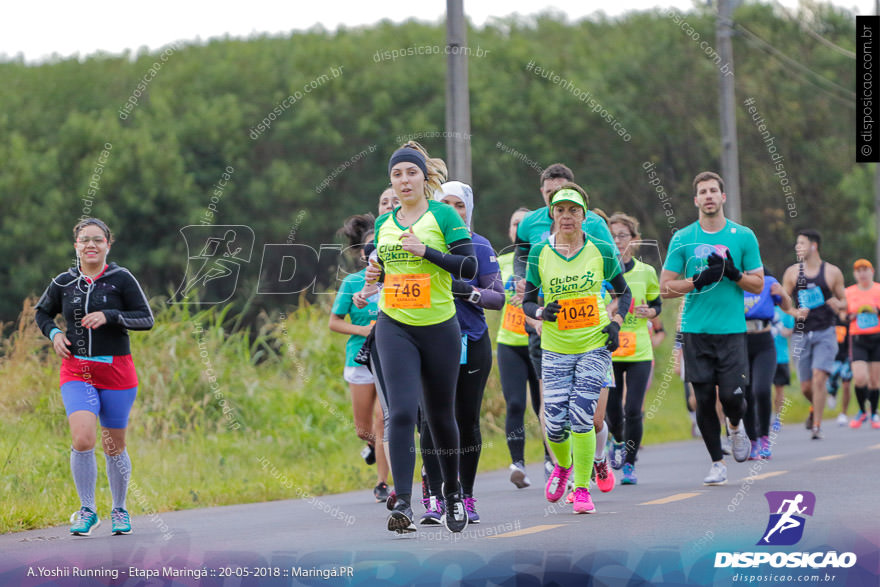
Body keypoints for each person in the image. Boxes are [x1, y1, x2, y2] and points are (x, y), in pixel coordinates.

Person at [366, 142, 476, 534]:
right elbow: (383, 269)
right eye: (396, 175)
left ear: (423, 178)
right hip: (394, 324)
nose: (403, 181)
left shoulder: (443, 215)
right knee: (400, 411)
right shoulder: (383, 224)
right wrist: (371, 282)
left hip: (439, 326)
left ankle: (452, 494)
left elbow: (468, 265)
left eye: (410, 173)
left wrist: (426, 250)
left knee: (440, 416)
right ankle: (405, 504)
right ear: (391, 183)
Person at [35, 218, 154, 536]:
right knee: (83, 439)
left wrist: (110, 315)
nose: (91, 244)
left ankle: (119, 510)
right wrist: (55, 332)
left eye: (97, 240)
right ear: (76, 246)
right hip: (77, 370)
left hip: (117, 370)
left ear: (107, 245)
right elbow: (42, 312)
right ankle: (87, 510)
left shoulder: (120, 278)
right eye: (84, 239)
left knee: (114, 446)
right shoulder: (63, 282)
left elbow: (146, 318)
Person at [522, 184, 631, 514]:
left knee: (583, 417)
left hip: (593, 345)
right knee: (554, 423)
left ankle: (582, 489)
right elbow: (527, 301)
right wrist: (542, 313)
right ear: (552, 215)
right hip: (555, 348)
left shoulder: (601, 250)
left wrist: (616, 322)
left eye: (573, 210)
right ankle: (564, 466)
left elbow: (623, 294)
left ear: (584, 215)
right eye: (560, 210)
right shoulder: (540, 253)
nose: (567, 216)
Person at [660, 171, 764, 486]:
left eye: (713, 191)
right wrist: (696, 281)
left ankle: (735, 426)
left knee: (734, 398)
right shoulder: (683, 238)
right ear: (696, 200)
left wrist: (734, 274)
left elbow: (757, 284)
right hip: (696, 330)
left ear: (723, 197)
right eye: (702, 191)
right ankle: (717, 462)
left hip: (731, 331)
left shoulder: (743, 236)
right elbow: (664, 289)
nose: (708, 196)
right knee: (703, 399)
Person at [418, 181, 504, 525]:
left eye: (460, 205)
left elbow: (497, 297)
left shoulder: (479, 245)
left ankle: (466, 496)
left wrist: (465, 290)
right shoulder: (423, 244)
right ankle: (437, 498)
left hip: (472, 339)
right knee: (430, 422)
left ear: (469, 210)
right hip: (430, 338)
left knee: (466, 421)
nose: (453, 210)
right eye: (446, 203)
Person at [328, 213, 390, 502]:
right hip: (360, 358)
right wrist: (364, 330)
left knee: (383, 420)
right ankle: (373, 448)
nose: (373, 253)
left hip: (390, 356)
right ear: (361, 254)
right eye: (368, 248)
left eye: (379, 246)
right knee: (364, 429)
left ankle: (382, 483)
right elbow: (335, 322)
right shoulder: (352, 283)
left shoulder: (396, 279)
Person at [604, 213, 662, 485]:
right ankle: (616, 439)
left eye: (622, 236)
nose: (617, 241)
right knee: (613, 412)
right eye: (612, 235)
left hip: (639, 351)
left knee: (634, 410)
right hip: (610, 350)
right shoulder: (600, 272)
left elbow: (657, 305)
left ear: (635, 240)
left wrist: (649, 311)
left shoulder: (646, 272)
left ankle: (629, 463)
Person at [781, 229, 846, 439]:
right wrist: (794, 312)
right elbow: (783, 301)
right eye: (796, 244)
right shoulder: (791, 273)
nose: (797, 247)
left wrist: (839, 304)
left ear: (813, 246)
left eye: (801, 243)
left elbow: (844, 301)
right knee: (807, 386)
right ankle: (813, 408)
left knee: (819, 378)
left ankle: (817, 425)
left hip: (825, 331)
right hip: (801, 334)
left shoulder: (831, 272)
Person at [497, 208, 543, 489]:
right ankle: (518, 465)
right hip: (510, 342)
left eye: (524, 224)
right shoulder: (501, 261)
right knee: (515, 403)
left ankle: (554, 461)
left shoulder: (543, 258)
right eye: (515, 223)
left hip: (539, 341)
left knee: (543, 406)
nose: (519, 228)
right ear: (510, 230)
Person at [742, 269, 793, 460]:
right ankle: (752, 440)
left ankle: (764, 437)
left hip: (764, 342)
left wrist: (783, 294)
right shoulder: (734, 281)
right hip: (740, 343)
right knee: (745, 394)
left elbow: (787, 306)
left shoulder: (769, 281)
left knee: (762, 390)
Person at [845, 258, 880, 429]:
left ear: (872, 272)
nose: (862, 273)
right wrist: (849, 316)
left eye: (865, 269)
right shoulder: (849, 292)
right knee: (859, 377)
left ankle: (874, 413)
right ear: (855, 274)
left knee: (874, 381)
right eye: (858, 270)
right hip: (858, 338)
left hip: (877, 338)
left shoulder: (878, 289)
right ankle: (862, 411)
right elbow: (841, 314)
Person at [771, 306, 795, 432]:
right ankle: (763, 416)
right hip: (763, 355)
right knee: (761, 389)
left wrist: (782, 330)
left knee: (779, 389)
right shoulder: (761, 306)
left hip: (781, 356)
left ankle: (777, 418)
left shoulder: (784, 311)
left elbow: (791, 329)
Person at [826, 310, 852, 426]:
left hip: (847, 356)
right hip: (832, 357)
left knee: (846, 384)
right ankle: (832, 394)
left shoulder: (850, 316)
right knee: (830, 384)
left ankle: (843, 414)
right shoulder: (829, 316)